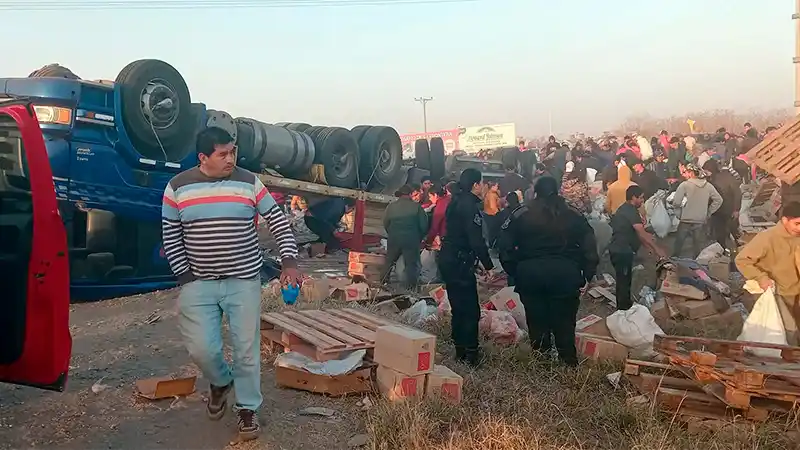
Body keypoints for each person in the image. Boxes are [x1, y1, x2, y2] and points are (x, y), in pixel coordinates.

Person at [161, 127, 301, 441]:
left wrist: (289, 261)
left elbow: (277, 220)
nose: (230, 159)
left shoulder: (249, 181)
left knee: (246, 351)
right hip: (199, 283)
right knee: (202, 349)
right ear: (203, 157)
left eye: (232, 152)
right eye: (222, 154)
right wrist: (185, 276)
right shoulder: (177, 188)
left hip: (244, 280)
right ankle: (221, 382)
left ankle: (247, 409)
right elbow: (171, 236)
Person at [497, 176, 598, 365]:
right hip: (565, 274)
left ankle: (542, 362)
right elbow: (589, 245)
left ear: (535, 191)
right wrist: (588, 272)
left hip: (531, 274)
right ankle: (567, 361)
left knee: (536, 320)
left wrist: (515, 270)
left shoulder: (521, 213)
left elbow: (504, 247)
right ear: (558, 190)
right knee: (565, 322)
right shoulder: (573, 214)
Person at [437, 168, 493, 366]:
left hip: (450, 257)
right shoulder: (469, 205)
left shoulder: (456, 201)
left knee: (458, 306)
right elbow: (476, 240)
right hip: (459, 261)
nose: (483, 187)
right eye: (482, 183)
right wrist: (489, 265)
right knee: (469, 310)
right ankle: (471, 355)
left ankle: (460, 350)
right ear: (476, 184)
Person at [736, 202, 800, 345]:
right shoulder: (767, 238)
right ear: (785, 220)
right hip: (778, 292)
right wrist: (761, 277)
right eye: (797, 223)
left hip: (796, 292)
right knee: (790, 331)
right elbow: (742, 260)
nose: (799, 228)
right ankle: (787, 364)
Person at [607, 186, 668, 310]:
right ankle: (624, 311)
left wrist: (649, 248)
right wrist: (657, 249)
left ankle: (626, 308)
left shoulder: (626, 209)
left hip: (621, 249)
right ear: (633, 198)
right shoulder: (630, 211)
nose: (642, 200)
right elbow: (642, 233)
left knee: (625, 281)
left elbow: (637, 234)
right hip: (621, 250)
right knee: (623, 283)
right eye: (640, 198)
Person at [380, 184, 429, 290]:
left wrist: (393, 233)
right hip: (411, 240)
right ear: (411, 194)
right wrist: (418, 237)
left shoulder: (391, 206)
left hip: (394, 238)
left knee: (389, 261)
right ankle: (410, 288)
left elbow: (386, 223)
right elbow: (424, 226)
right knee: (411, 264)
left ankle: (383, 283)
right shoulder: (417, 207)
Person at [671, 163, 723, 257]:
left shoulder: (684, 185)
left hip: (685, 219)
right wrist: (709, 212)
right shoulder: (708, 186)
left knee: (679, 244)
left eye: (686, 172)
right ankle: (698, 266)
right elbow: (719, 200)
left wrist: (679, 214)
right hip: (700, 219)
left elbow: (676, 202)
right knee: (698, 246)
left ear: (691, 173)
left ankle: (674, 261)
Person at [703, 159, 743, 252]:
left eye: (706, 171)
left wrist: (736, 209)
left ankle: (737, 249)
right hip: (717, 211)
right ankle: (724, 249)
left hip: (728, 209)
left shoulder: (726, 178)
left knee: (733, 230)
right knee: (720, 233)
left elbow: (737, 193)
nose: (705, 173)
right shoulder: (709, 179)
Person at [483, 181, 502, 247]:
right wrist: (499, 215)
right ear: (492, 187)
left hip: (489, 214)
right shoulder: (491, 195)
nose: (497, 187)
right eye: (496, 186)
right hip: (492, 215)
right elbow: (493, 207)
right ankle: (492, 245)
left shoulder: (491, 193)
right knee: (492, 231)